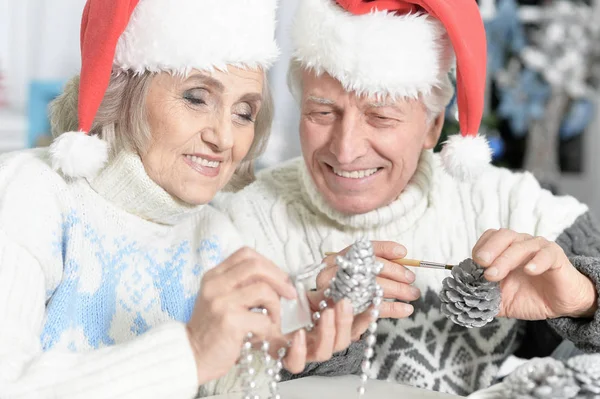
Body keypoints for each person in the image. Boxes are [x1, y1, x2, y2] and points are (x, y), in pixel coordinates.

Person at [214, 0, 600, 396]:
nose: (345, 151)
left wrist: (586, 298)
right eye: (322, 112)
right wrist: (309, 327)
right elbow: (209, 379)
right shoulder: (241, 224)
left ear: (433, 126)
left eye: (381, 117)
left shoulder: (511, 204)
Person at [0, 1, 361, 397]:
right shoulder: (30, 191)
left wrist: (287, 330)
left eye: (243, 112)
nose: (224, 139)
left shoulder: (217, 235)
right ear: (122, 92)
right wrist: (193, 351)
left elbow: (220, 381)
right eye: (195, 97)